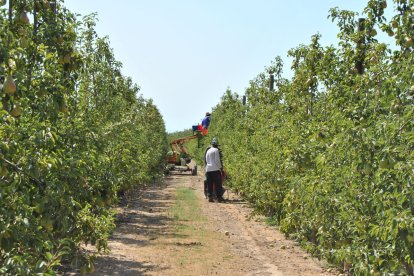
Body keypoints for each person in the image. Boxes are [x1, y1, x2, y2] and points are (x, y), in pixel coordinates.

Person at [204, 137, 225, 202]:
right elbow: (217, 160)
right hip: (215, 169)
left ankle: (210, 197)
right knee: (218, 184)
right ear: (216, 144)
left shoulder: (208, 150)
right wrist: (221, 168)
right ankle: (219, 197)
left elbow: (206, 160)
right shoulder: (216, 150)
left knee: (210, 184)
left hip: (208, 169)